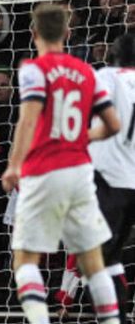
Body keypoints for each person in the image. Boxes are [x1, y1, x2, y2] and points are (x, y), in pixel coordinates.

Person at [1, 4, 121, 324]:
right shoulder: (87, 72)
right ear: (68, 33)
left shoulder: (33, 69)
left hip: (43, 170)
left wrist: (13, 165)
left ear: (33, 33)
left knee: (25, 260)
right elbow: (113, 125)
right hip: (81, 172)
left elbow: (28, 121)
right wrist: (83, 136)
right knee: (93, 262)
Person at [88, 33, 135, 324]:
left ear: (116, 54)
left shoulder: (105, 76)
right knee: (111, 256)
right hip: (132, 181)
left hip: (107, 178)